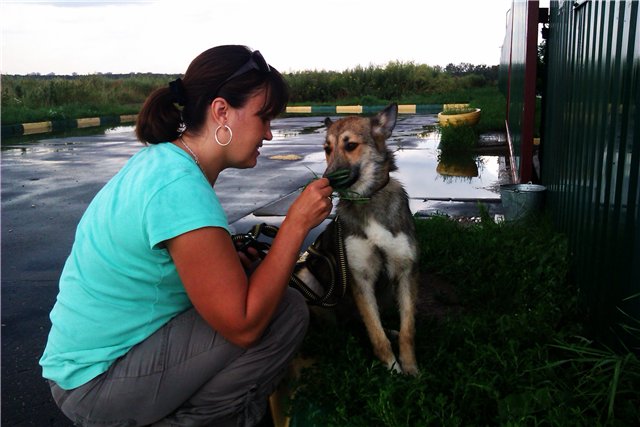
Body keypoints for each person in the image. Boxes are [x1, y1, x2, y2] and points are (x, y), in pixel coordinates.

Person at [39, 45, 333, 426]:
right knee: (284, 312)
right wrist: (295, 225)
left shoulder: (161, 161)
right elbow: (242, 325)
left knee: (254, 286)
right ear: (221, 111)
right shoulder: (179, 186)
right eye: (264, 118)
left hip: (82, 368)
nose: (270, 134)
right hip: (96, 386)